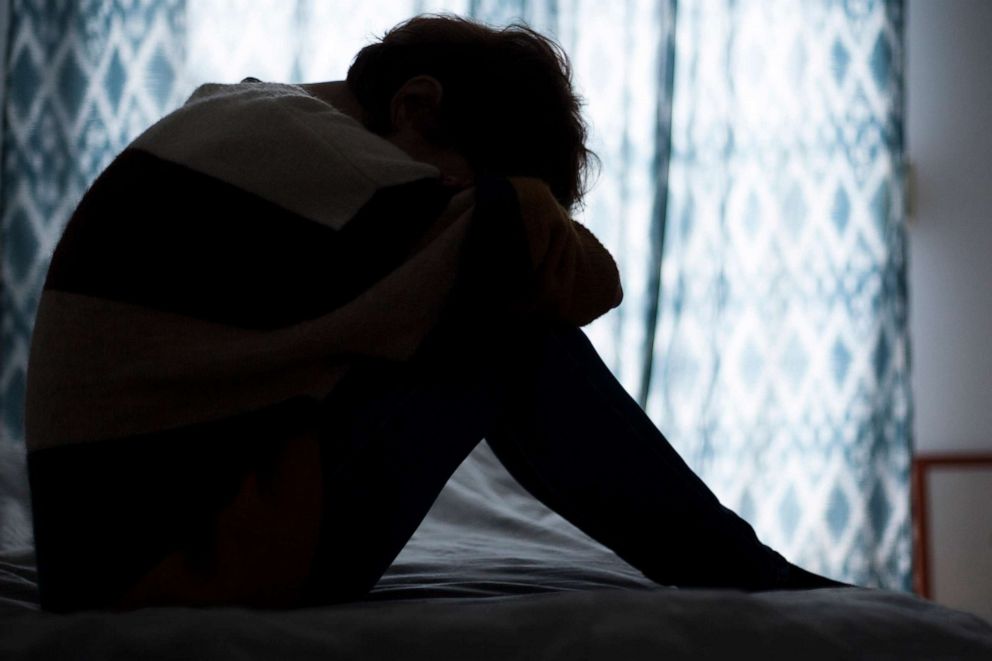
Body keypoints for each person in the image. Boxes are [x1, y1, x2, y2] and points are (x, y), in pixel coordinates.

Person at [24, 15, 847, 613]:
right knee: (502, 324)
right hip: (176, 562)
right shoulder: (331, 156)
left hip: (120, 550)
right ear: (415, 106)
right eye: (466, 180)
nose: (454, 202)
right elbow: (583, 278)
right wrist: (512, 210)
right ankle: (755, 578)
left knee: (474, 295)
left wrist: (504, 206)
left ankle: (742, 566)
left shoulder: (241, 122)